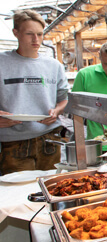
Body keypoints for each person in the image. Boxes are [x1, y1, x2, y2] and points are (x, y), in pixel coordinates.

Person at [0, 10, 69, 174]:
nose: (36, 40)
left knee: (53, 189)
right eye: (29, 34)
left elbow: (64, 99)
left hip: (50, 140)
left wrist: (57, 111)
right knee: (19, 193)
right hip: (13, 142)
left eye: (39, 34)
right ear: (15, 33)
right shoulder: (2, 62)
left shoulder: (54, 66)